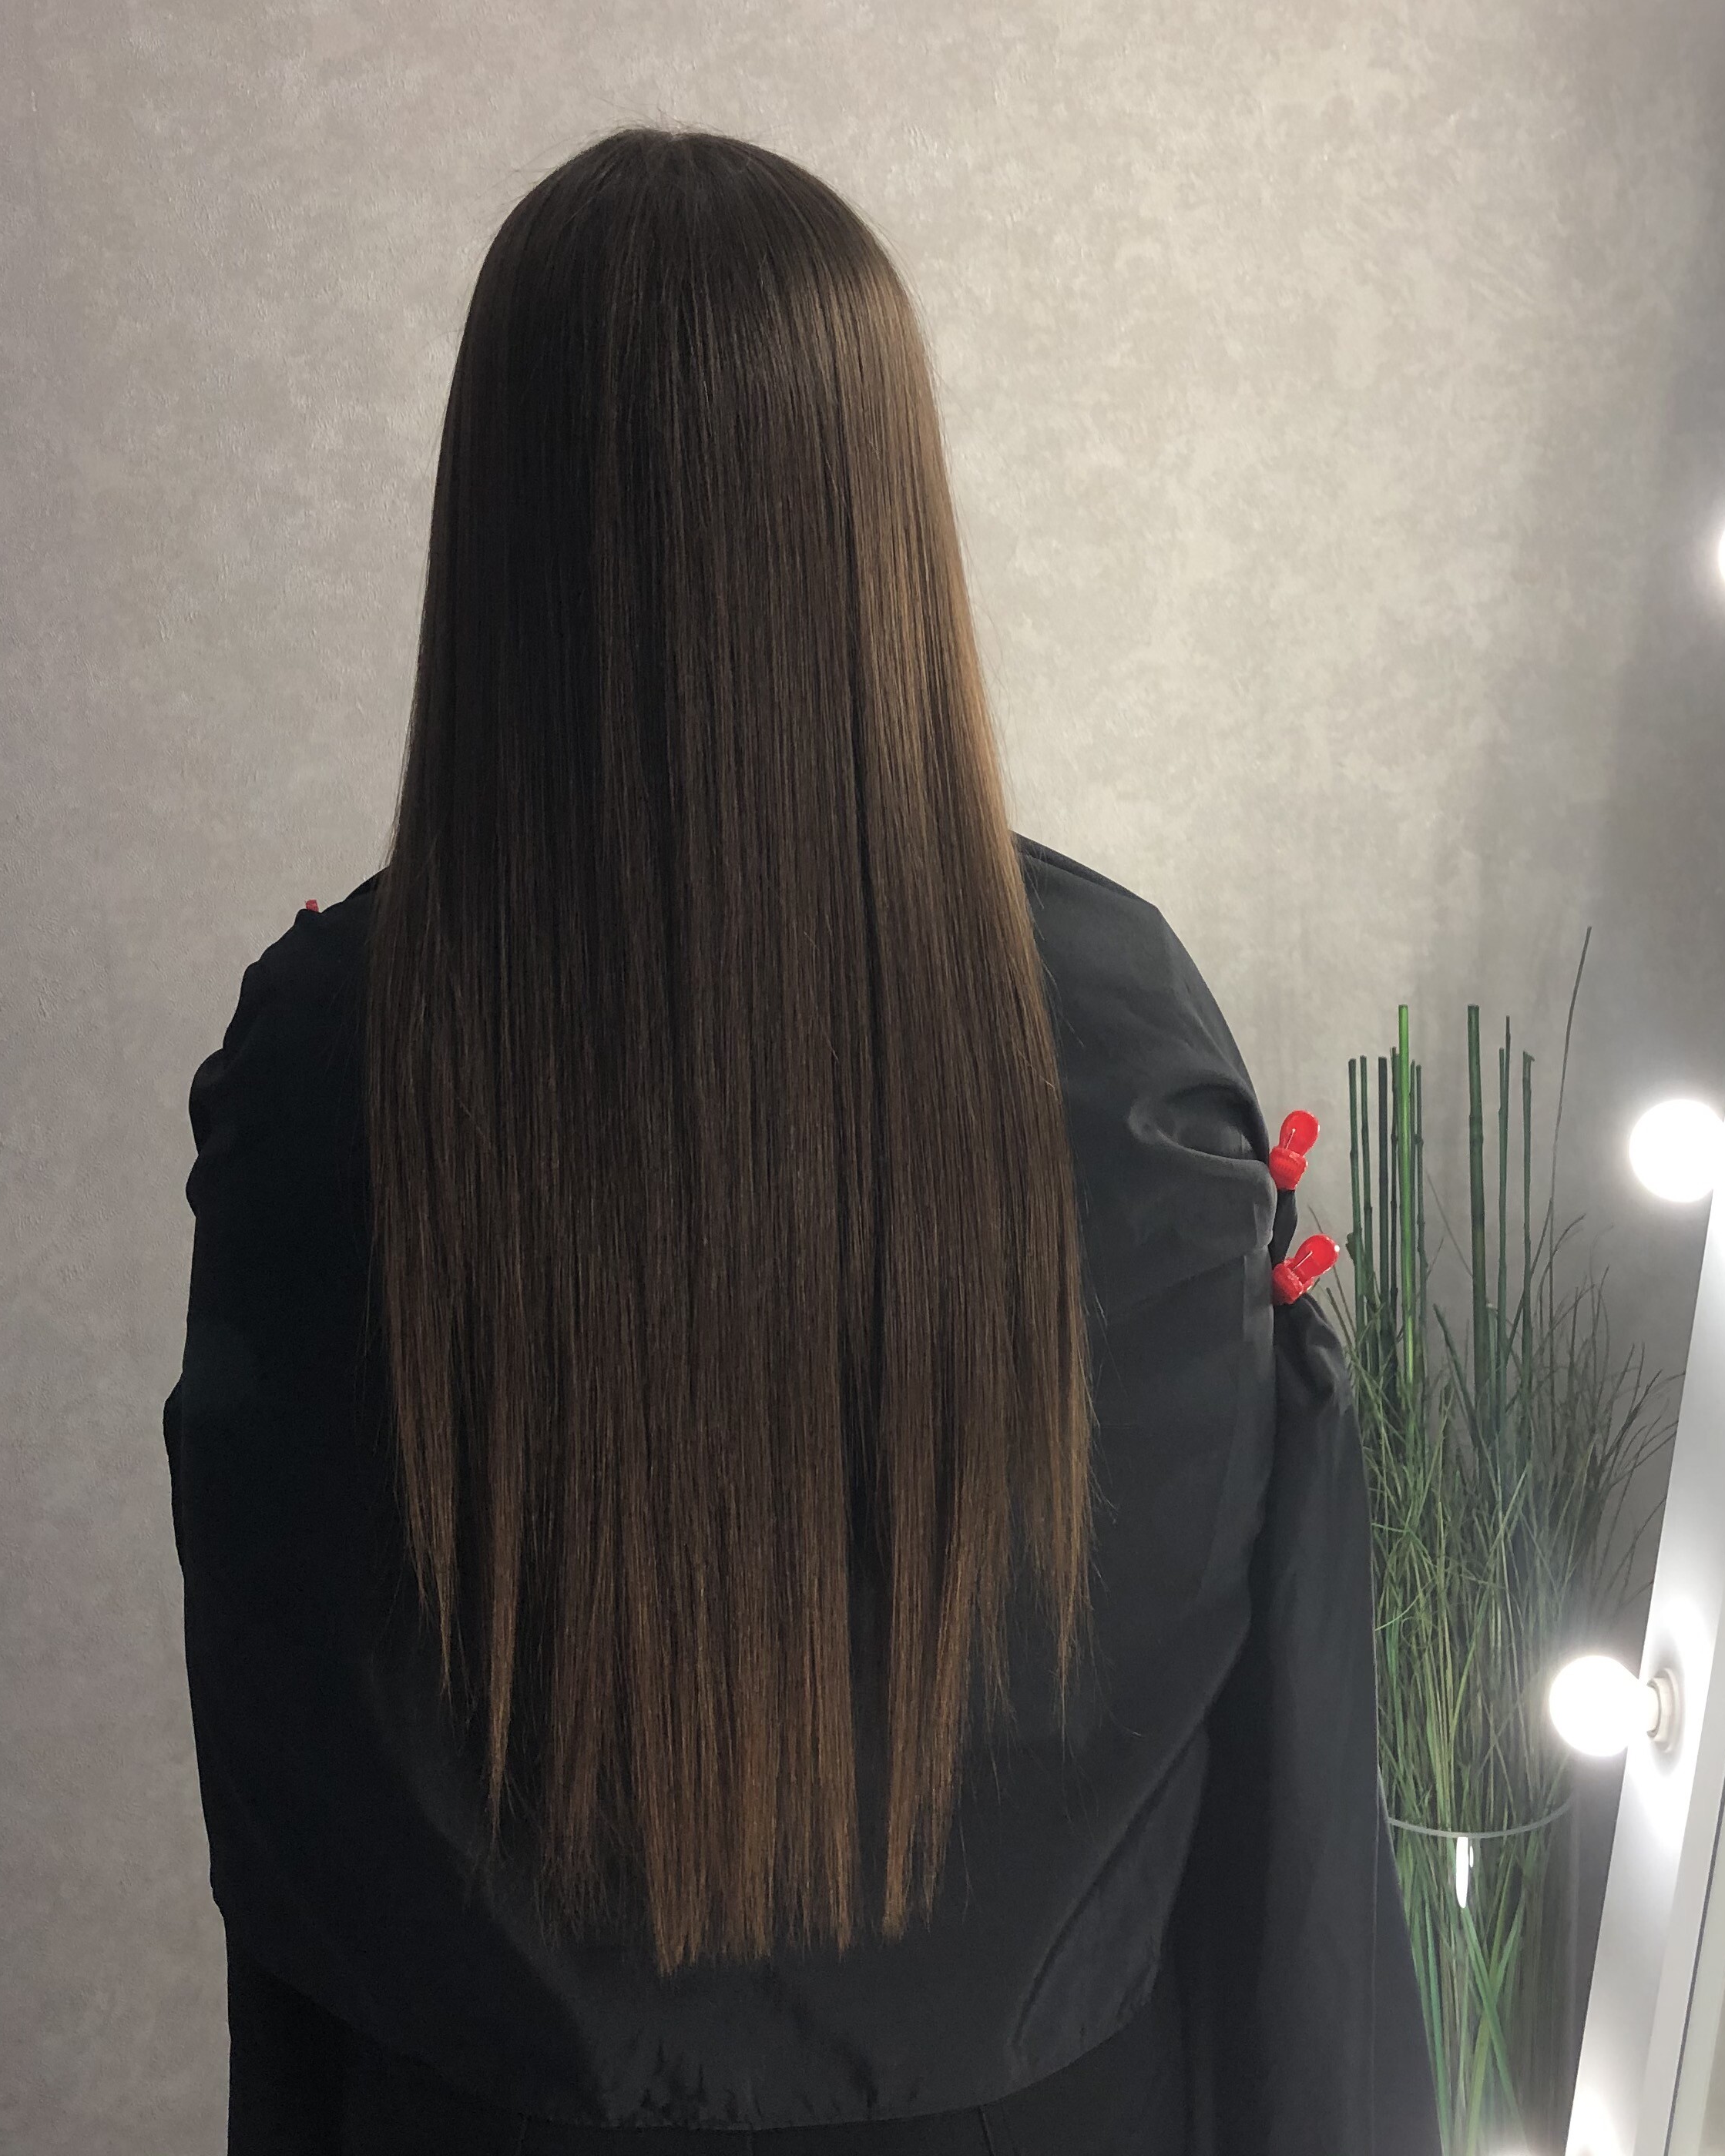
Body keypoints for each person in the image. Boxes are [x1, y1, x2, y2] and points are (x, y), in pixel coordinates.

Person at [166, 128, 1435, 2156]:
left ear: (495, 525)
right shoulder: (1121, 1052)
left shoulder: (322, 1066)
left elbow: (294, 1790)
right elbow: (1262, 1781)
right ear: (881, 512)